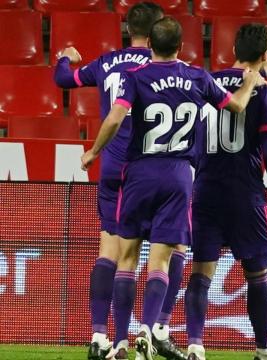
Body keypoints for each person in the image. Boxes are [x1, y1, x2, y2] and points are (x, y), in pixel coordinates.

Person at [80, 16, 265, 360]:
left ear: (149, 43)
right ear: (182, 47)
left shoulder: (136, 77)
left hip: (139, 173)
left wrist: (94, 150)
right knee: (161, 260)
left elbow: (116, 117)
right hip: (179, 174)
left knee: (128, 256)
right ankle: (147, 331)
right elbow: (237, 107)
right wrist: (250, 82)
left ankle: (120, 342)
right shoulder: (198, 76)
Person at [53, 4, 189, 359]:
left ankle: (102, 337)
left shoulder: (107, 62)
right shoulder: (168, 67)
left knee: (111, 253)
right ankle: (158, 325)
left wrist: (64, 57)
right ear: (162, 30)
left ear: (128, 29)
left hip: (112, 168)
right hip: (150, 167)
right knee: (170, 250)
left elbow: (64, 80)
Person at [184, 23, 267, 360]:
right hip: (246, 194)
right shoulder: (265, 92)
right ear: (263, 55)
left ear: (232, 52)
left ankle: (195, 345)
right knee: (257, 275)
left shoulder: (207, 82)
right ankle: (262, 350)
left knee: (201, 272)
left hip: (205, 190)